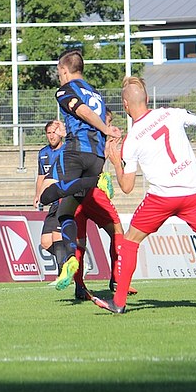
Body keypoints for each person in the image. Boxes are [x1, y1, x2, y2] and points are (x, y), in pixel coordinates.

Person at [92, 76, 196, 314]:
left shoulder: (132, 139)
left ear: (125, 105)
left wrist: (116, 162)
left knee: (130, 241)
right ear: (147, 98)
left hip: (162, 198)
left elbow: (127, 187)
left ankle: (118, 302)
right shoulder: (172, 113)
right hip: (193, 193)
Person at [38, 49, 122, 291]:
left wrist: (105, 130)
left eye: (59, 73)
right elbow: (93, 117)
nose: (59, 77)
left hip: (77, 152)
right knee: (66, 211)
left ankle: (70, 257)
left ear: (64, 70)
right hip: (96, 157)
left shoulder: (66, 90)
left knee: (47, 196)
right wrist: (104, 131)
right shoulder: (95, 92)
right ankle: (69, 259)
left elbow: (82, 111)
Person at [72, 109, 137, 300]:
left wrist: (108, 148)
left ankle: (79, 285)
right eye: (106, 123)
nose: (107, 127)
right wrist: (111, 151)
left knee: (79, 241)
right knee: (117, 230)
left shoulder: (80, 137)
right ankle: (116, 279)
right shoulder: (94, 139)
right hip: (91, 193)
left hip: (71, 194)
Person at [34, 119, 68, 278]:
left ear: (60, 134)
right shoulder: (43, 153)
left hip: (64, 199)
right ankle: (73, 261)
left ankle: (62, 275)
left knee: (57, 236)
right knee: (46, 242)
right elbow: (41, 176)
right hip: (52, 202)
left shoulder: (67, 150)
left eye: (54, 132)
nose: (52, 136)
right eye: (49, 133)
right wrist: (37, 194)